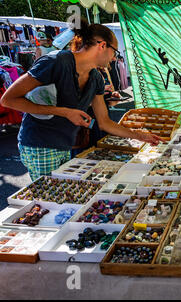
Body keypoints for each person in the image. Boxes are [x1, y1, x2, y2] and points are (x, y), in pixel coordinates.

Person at [0, 19, 163, 181]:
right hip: (40, 144)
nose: (114, 59)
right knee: (52, 199)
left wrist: (140, 136)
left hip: (64, 145)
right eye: (115, 52)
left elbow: (104, 122)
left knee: (64, 198)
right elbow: (8, 99)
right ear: (102, 46)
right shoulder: (56, 62)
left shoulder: (95, 78)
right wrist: (63, 112)